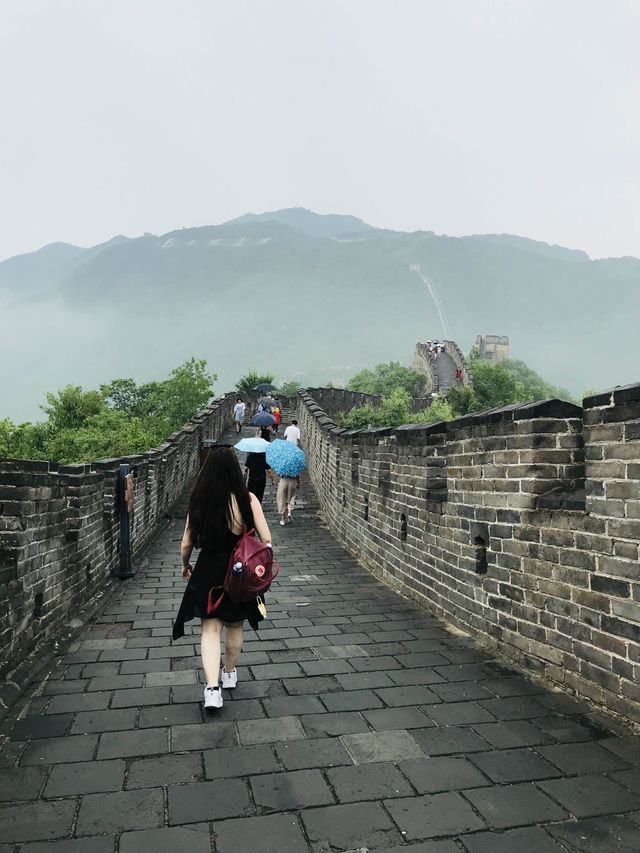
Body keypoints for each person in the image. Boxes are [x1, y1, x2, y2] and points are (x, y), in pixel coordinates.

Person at [173, 446, 272, 710]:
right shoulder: (248, 499)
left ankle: (212, 689)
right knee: (235, 625)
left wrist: (186, 565)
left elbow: (186, 543)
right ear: (235, 470)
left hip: (208, 568)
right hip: (239, 570)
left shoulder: (200, 500)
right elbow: (267, 540)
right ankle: (229, 672)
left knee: (210, 628)